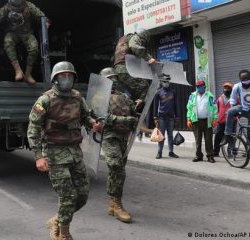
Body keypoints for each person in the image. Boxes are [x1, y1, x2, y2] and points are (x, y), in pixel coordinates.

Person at [27, 61, 101, 240]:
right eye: (63, 76)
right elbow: (33, 129)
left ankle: (57, 220)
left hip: (74, 152)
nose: (66, 79)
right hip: (54, 153)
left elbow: (86, 116)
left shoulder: (77, 97)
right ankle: (63, 234)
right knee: (67, 197)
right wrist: (38, 157)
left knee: (82, 195)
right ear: (55, 79)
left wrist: (93, 124)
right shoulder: (45, 100)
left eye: (69, 76)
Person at [99, 67, 137, 223]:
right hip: (109, 136)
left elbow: (133, 112)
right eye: (109, 78)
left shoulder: (123, 97)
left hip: (123, 137)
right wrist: (125, 120)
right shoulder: (99, 97)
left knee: (117, 170)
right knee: (116, 167)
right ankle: (117, 204)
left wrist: (137, 111)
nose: (112, 81)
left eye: (114, 78)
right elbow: (102, 117)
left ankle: (112, 203)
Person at [0, 0, 48, 85]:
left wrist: (45, 21)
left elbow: (39, 15)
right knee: (8, 42)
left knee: (34, 47)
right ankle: (18, 71)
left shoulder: (29, 6)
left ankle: (28, 74)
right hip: (13, 33)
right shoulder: (7, 7)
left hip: (27, 33)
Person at [114, 28, 156, 103]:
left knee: (133, 92)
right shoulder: (134, 37)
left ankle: (135, 105)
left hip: (119, 70)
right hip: (125, 68)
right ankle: (140, 106)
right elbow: (134, 46)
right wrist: (148, 58)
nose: (142, 44)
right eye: (142, 42)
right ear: (141, 36)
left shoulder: (123, 39)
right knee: (145, 86)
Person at [186, 80, 217, 163]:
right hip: (196, 120)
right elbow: (189, 107)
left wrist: (214, 119)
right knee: (198, 139)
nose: (199, 88)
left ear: (204, 86)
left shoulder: (210, 96)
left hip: (208, 120)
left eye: (201, 86)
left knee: (208, 139)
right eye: (198, 86)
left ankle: (210, 156)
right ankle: (199, 155)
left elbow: (215, 108)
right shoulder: (192, 96)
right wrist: (188, 118)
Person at [153, 76, 179, 159]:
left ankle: (171, 152)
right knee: (161, 135)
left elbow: (176, 105)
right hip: (161, 118)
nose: (166, 83)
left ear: (169, 82)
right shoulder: (158, 92)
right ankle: (159, 152)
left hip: (171, 117)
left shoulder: (173, 92)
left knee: (170, 135)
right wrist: (155, 117)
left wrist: (177, 116)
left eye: (167, 81)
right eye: (164, 81)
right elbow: (155, 105)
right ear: (161, 82)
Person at [213, 82, 238, 157]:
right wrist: (216, 118)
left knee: (232, 137)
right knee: (218, 136)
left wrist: (236, 117)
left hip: (232, 121)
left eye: (228, 88)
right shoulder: (220, 98)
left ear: (231, 90)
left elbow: (239, 109)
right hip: (221, 121)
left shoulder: (235, 99)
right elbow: (216, 109)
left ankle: (230, 153)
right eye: (225, 88)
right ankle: (216, 152)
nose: (226, 89)